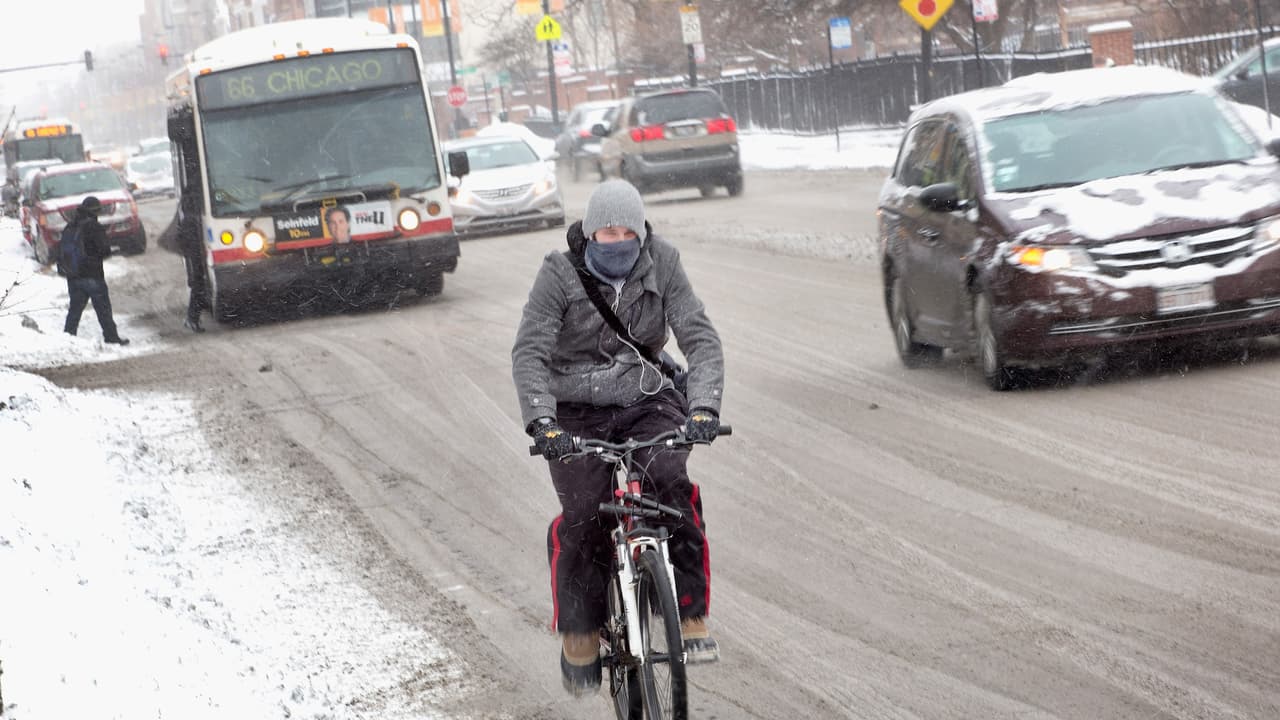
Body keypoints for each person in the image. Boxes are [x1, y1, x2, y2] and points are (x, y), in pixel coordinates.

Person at [511, 179, 725, 697]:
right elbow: (530, 353)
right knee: (586, 509)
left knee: (671, 482)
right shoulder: (559, 274)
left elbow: (700, 337)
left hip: (644, 398)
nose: (618, 239)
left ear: (642, 230)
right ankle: (580, 629)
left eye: (628, 230)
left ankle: (690, 615)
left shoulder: (663, 262)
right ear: (589, 232)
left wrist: (703, 408)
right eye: (608, 230)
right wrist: (544, 423)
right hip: (575, 410)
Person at [63, 196, 129, 345]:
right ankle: (111, 337)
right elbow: (103, 250)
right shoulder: (93, 226)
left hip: (73, 275)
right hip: (92, 274)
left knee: (74, 310)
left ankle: (68, 338)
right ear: (96, 211)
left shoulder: (70, 226)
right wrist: (109, 251)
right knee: (103, 309)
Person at [177, 190, 208, 332]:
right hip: (196, 259)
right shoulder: (191, 221)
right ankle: (192, 319)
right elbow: (193, 242)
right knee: (199, 289)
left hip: (193, 258)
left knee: (198, 288)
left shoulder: (186, 220)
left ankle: (192, 318)